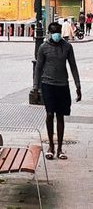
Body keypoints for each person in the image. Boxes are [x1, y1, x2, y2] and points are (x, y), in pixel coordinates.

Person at [33, 22, 81, 160]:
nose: (57, 34)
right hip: (47, 85)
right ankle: (51, 146)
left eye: (59, 31)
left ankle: (60, 148)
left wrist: (78, 86)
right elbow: (38, 68)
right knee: (49, 114)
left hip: (62, 85)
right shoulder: (43, 47)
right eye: (54, 31)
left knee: (60, 116)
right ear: (49, 32)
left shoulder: (67, 47)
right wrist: (35, 88)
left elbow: (73, 66)